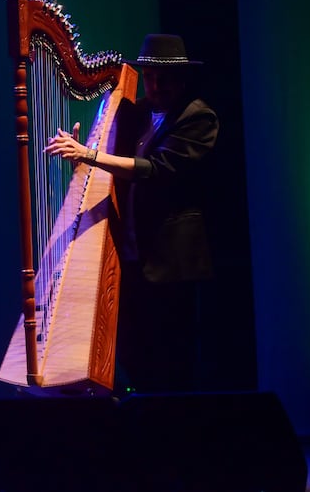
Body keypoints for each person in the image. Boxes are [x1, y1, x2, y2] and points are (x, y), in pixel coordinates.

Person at [45, 33, 219, 394]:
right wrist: (83, 154)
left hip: (172, 262)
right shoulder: (134, 114)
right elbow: (110, 170)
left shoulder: (198, 118)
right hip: (131, 258)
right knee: (135, 357)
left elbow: (155, 169)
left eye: (164, 77)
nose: (155, 84)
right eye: (150, 75)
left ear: (182, 78)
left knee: (172, 361)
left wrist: (89, 154)